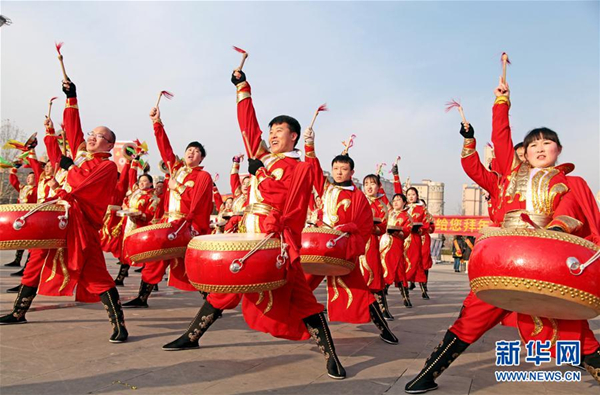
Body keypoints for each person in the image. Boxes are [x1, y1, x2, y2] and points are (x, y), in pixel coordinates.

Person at [405, 78, 600, 393]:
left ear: (559, 149)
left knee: (573, 330)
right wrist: (500, 104)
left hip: (544, 265)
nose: (538, 149)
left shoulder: (569, 181)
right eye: (532, 145)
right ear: (522, 153)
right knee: (471, 317)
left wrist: (551, 232)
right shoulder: (507, 178)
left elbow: (571, 214)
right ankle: (428, 373)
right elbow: (496, 141)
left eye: (546, 143)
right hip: (502, 260)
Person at [162, 69, 347, 380]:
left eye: (280, 130)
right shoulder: (262, 156)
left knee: (301, 297)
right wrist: (242, 88)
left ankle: (331, 356)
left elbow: (288, 201)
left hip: (274, 243)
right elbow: (248, 126)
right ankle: (191, 337)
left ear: (294, 137)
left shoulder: (299, 168)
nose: (272, 134)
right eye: (271, 129)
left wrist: (259, 173)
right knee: (223, 291)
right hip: (248, 235)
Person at [2, 79, 128, 343]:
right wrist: (72, 99)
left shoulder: (106, 167)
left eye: (99, 135)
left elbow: (80, 182)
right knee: (34, 263)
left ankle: (119, 324)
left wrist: (70, 167)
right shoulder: (83, 157)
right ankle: (18, 311)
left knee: (96, 273)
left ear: (109, 145)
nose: (91, 137)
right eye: (91, 133)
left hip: (80, 225)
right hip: (57, 219)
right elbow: (73, 134)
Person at [303, 127, 398, 344]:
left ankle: (384, 329)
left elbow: (364, 227)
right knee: (301, 285)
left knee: (360, 292)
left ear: (351, 172)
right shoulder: (325, 188)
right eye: (335, 168)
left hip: (342, 251)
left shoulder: (359, 198)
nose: (338, 172)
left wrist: (351, 236)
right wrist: (310, 144)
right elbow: (312, 168)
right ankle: (298, 322)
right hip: (318, 248)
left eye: (343, 169)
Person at [122, 106, 213, 308]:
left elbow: (198, 203)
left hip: (186, 225)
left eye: (197, 151)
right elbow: (165, 148)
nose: (192, 153)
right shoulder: (177, 168)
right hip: (168, 222)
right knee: (155, 258)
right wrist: (157, 123)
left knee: (191, 263)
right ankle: (142, 298)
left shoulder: (202, 177)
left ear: (201, 158)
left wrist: (177, 187)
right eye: (189, 150)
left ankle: (213, 301)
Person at [360, 173, 394, 320]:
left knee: (373, 274)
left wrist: (372, 228)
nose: (369, 186)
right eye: (366, 183)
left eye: (372, 183)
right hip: (356, 241)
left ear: (379, 187)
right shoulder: (358, 200)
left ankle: (382, 309)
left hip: (371, 243)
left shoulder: (381, 206)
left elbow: (383, 226)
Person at [380, 192, 413, 307]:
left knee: (395, 269)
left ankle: (405, 297)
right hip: (384, 245)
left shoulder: (406, 216)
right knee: (386, 268)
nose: (395, 202)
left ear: (404, 202)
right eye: (394, 200)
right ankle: (382, 293)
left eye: (399, 200)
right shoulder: (389, 213)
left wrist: (397, 231)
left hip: (396, 245)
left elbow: (406, 231)